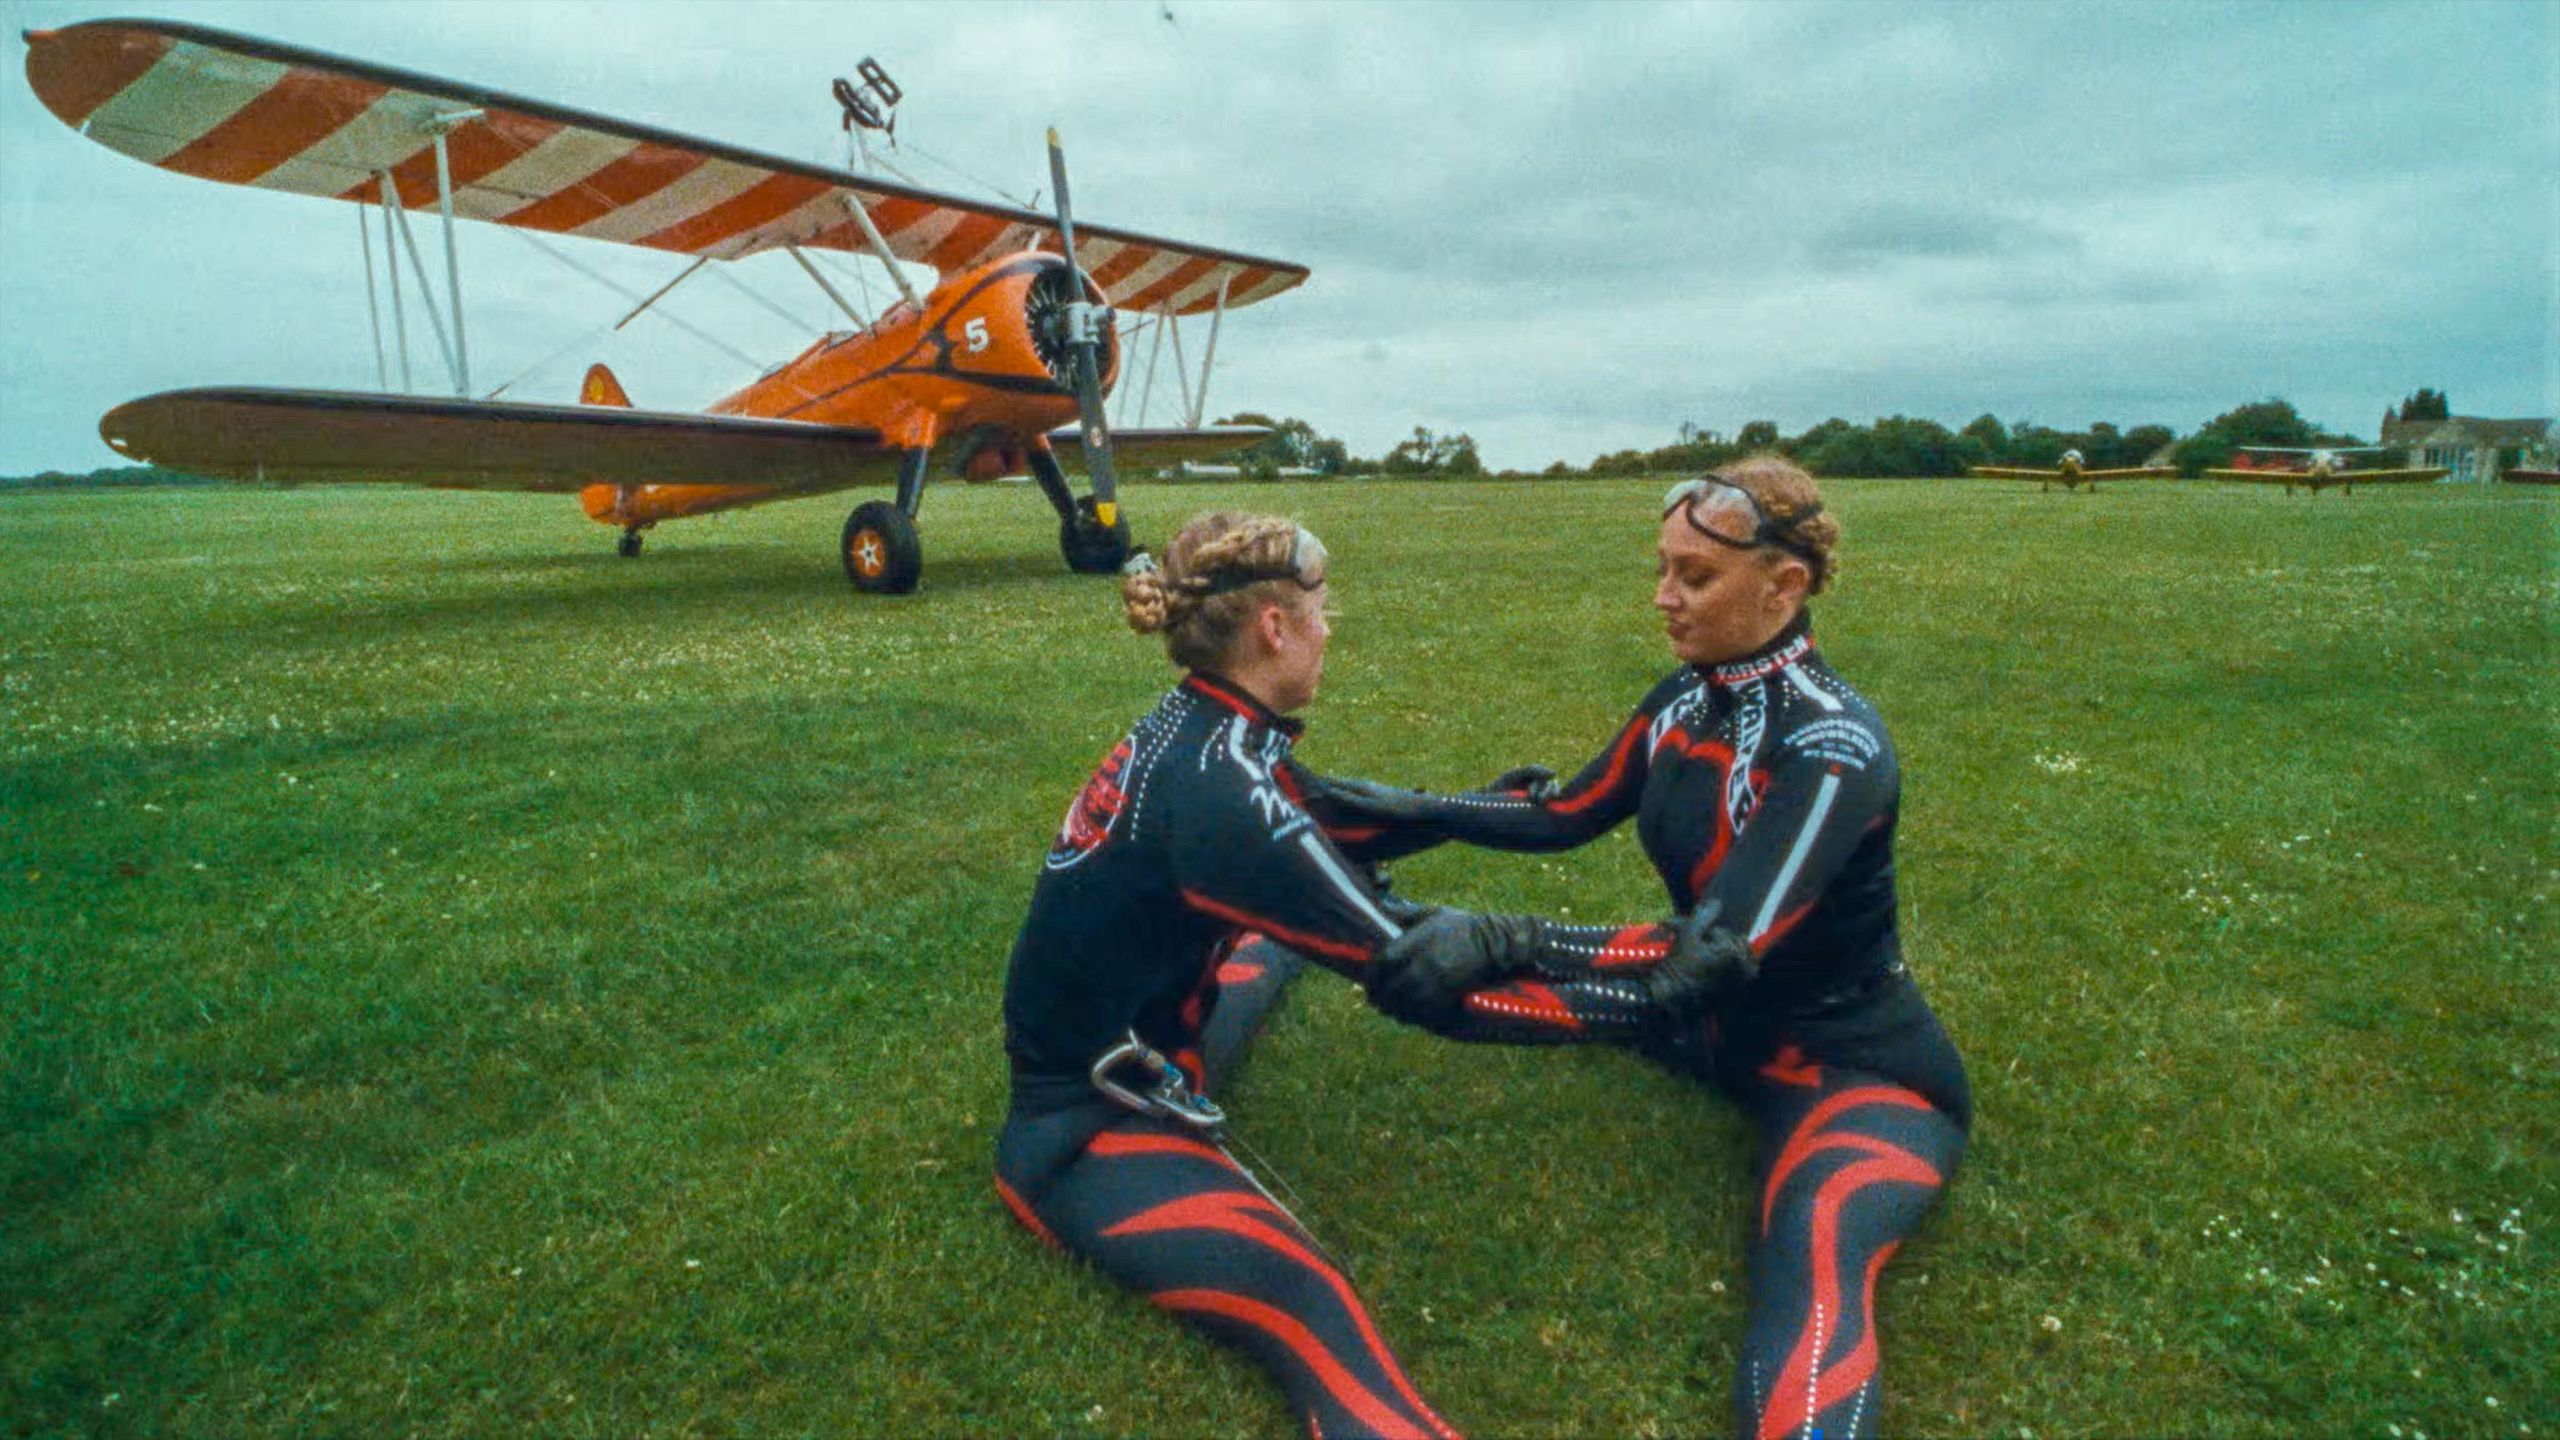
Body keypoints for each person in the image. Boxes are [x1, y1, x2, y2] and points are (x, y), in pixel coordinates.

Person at [1310, 456, 1970, 1440]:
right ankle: (1276, 939)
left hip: (1851, 1067)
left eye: (1694, 578)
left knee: (1812, 1257)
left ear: (1784, 585)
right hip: (1709, 1027)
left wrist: (1510, 937)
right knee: (1421, 961)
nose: (1663, 598)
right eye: (1662, 568)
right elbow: (1565, 811)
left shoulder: (1834, 747)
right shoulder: (1684, 697)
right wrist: (1402, 810)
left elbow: (1713, 950)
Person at [993, 511, 1462, 1440]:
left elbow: (1314, 821)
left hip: (1162, 1044)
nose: (1332, 626)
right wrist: (1639, 986)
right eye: (1322, 609)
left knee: (1280, 935)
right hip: (1082, 1129)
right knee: (1309, 1301)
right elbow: (1390, 951)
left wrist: (1503, 812)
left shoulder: (1201, 725)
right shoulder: (1212, 778)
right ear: (1274, 627)